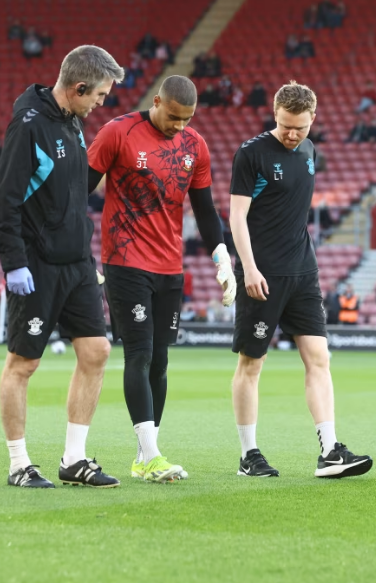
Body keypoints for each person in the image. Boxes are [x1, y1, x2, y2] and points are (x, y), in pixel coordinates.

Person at [0, 45, 125, 489]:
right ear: (78, 87)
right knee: (23, 364)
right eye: (99, 96)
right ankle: (18, 464)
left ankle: (74, 459)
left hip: (76, 261)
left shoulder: (72, 120)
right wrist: (14, 263)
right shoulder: (28, 125)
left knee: (97, 351)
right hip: (37, 264)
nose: (101, 104)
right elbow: (4, 202)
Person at [88, 75, 235, 482]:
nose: (179, 126)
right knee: (139, 354)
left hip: (170, 267)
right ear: (156, 102)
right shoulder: (118, 133)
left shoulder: (195, 146)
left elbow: (205, 211)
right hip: (125, 259)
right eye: (173, 117)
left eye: (187, 119)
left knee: (161, 361)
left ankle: (144, 455)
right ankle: (152, 455)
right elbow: (77, 189)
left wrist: (222, 257)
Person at [227, 81, 372, 479]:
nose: (293, 135)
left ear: (313, 120)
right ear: (276, 115)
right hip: (263, 274)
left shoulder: (309, 151)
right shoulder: (251, 154)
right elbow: (237, 216)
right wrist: (249, 268)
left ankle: (329, 452)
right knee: (252, 363)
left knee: (319, 359)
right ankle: (248, 455)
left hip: (303, 273)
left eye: (301, 127)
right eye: (287, 126)